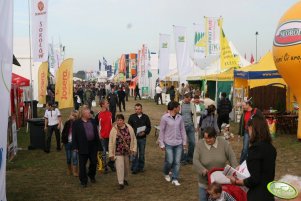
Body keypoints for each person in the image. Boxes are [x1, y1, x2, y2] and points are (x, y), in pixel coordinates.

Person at [228, 112, 277, 201]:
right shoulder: (271, 148)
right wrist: (245, 165)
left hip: (257, 195)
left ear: (253, 129)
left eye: (248, 130)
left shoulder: (255, 149)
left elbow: (254, 179)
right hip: (269, 193)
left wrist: (237, 182)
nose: (248, 133)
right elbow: (263, 168)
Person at [193, 127, 238, 201]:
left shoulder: (223, 143)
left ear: (215, 136)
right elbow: (195, 160)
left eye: (210, 138)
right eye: (205, 138)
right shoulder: (199, 145)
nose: (207, 140)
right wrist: (202, 170)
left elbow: (232, 156)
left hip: (219, 183)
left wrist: (234, 169)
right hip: (205, 183)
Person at [158, 101, 187, 186]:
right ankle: (166, 172)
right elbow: (161, 131)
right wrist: (161, 143)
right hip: (168, 143)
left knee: (177, 162)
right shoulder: (164, 118)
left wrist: (184, 142)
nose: (179, 108)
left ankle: (175, 178)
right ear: (174, 108)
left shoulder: (180, 118)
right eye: (178, 107)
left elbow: (182, 130)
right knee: (169, 161)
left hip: (178, 143)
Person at [72, 105, 99, 188]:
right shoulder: (77, 123)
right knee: (82, 165)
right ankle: (83, 181)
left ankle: (91, 175)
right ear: (83, 114)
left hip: (93, 145)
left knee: (94, 162)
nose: (90, 114)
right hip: (82, 146)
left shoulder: (93, 121)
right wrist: (75, 147)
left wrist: (98, 145)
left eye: (90, 112)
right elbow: (74, 136)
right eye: (88, 113)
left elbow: (96, 133)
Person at [109, 114, 137, 190]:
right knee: (120, 167)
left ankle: (125, 179)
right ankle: (120, 182)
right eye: (117, 120)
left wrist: (134, 149)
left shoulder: (129, 128)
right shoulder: (113, 130)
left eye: (120, 120)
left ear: (123, 120)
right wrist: (111, 154)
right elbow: (111, 142)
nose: (119, 122)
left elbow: (134, 139)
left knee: (126, 167)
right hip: (118, 151)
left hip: (127, 151)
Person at [128, 103, 151, 174]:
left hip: (142, 139)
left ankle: (141, 167)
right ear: (134, 109)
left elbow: (149, 127)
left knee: (141, 154)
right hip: (134, 139)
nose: (137, 110)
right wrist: (135, 133)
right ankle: (135, 168)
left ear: (141, 109)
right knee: (134, 153)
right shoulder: (131, 117)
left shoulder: (146, 117)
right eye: (136, 109)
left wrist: (145, 132)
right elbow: (129, 128)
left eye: (139, 109)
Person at [238, 98, 262, 164]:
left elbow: (261, 120)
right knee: (245, 149)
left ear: (248, 105)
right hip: (246, 132)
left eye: (243, 105)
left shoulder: (255, 112)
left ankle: (254, 161)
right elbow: (241, 124)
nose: (242, 107)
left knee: (255, 147)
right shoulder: (244, 113)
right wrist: (240, 133)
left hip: (255, 132)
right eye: (242, 106)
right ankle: (242, 163)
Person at [95, 99, 115, 173]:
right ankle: (104, 166)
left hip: (110, 136)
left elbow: (111, 124)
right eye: (107, 103)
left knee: (111, 151)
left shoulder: (110, 113)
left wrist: (113, 133)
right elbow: (96, 126)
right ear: (102, 105)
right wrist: (99, 134)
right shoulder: (98, 114)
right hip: (102, 136)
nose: (108, 104)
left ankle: (111, 164)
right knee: (103, 152)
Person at [61, 110, 79, 176]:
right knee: (68, 158)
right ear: (70, 115)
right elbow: (63, 133)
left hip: (75, 144)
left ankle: (75, 171)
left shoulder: (78, 124)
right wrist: (62, 141)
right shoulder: (67, 123)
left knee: (75, 157)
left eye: (75, 116)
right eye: (72, 115)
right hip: (67, 143)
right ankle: (69, 169)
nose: (73, 117)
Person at [180, 93, 195, 165]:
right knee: (182, 143)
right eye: (188, 98)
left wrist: (196, 125)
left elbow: (194, 114)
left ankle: (190, 158)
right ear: (184, 98)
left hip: (190, 125)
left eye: (190, 99)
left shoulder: (192, 104)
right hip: (182, 126)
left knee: (192, 142)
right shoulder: (180, 104)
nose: (189, 100)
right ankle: (182, 159)